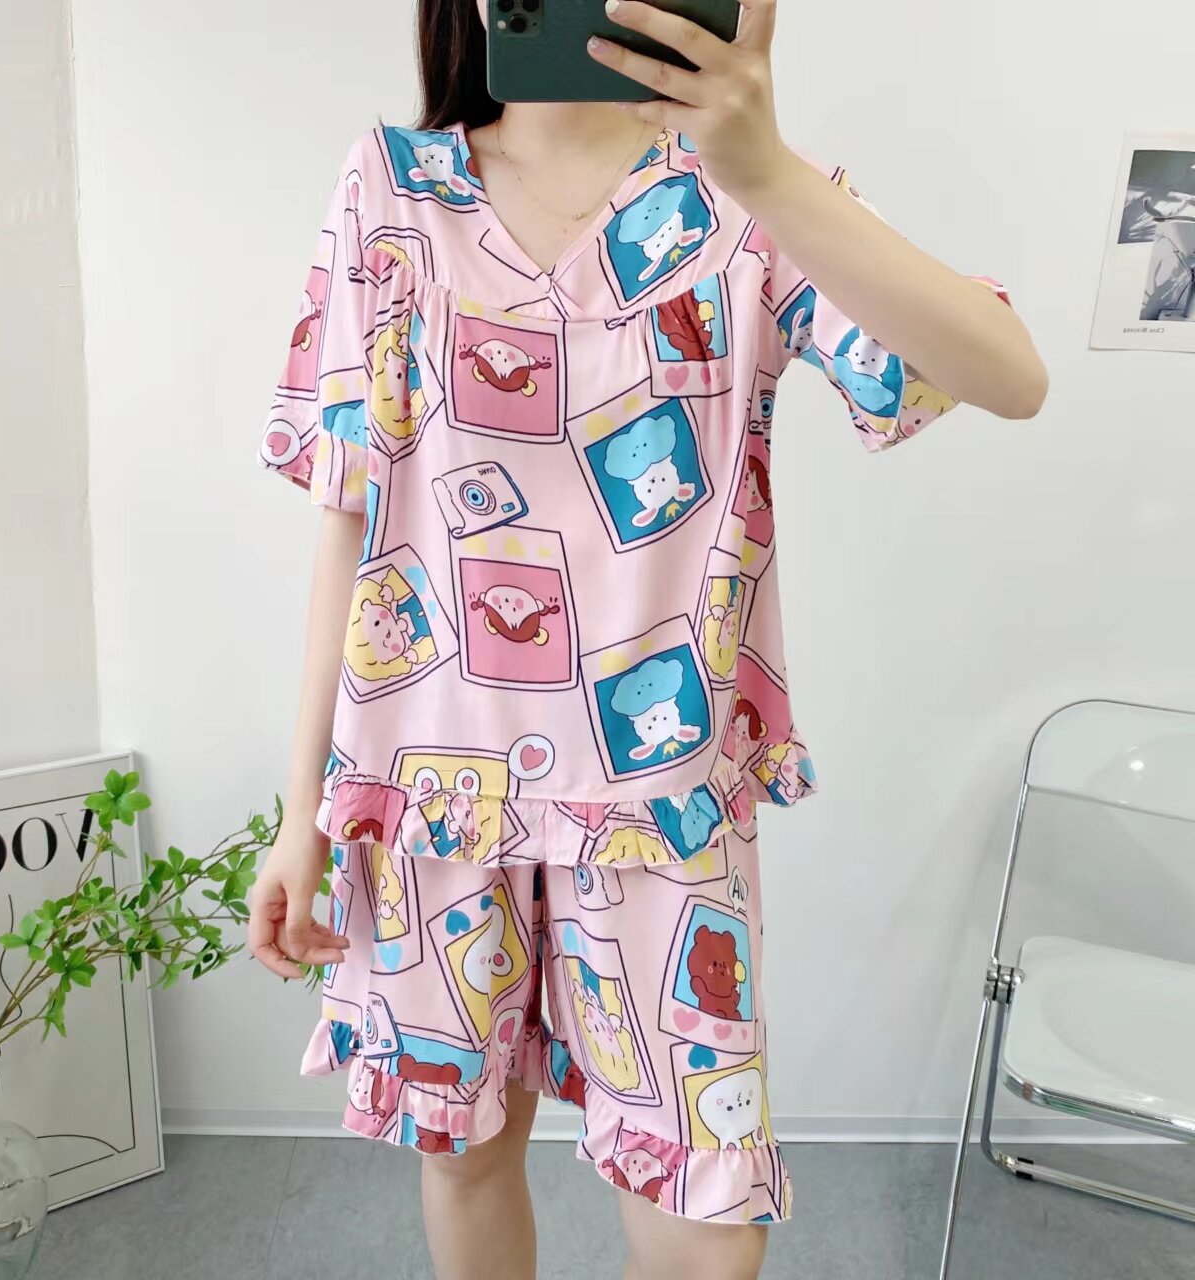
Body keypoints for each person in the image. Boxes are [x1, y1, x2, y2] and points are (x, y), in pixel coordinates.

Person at [247, 2, 1047, 1277]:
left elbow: (1008, 375)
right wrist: (301, 810)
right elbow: (349, 514)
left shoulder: (741, 197)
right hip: (432, 792)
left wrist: (765, 169)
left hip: (657, 802)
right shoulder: (389, 190)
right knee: (464, 1153)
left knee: (702, 1227)